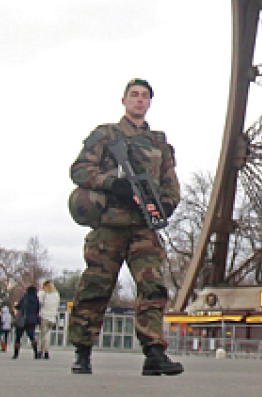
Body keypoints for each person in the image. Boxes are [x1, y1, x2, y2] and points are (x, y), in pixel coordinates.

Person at [66, 78, 183, 376]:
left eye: (144, 96)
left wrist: (165, 206)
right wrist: (112, 184)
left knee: (153, 286)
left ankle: (154, 352)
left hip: (143, 228)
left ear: (149, 102)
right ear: (124, 101)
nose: (139, 100)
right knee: (96, 287)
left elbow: (170, 184)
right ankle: (82, 351)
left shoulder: (159, 143)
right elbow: (79, 169)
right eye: (134, 95)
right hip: (110, 224)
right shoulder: (106, 135)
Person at [14, 286, 41, 359]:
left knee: (18, 337)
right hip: (32, 320)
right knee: (32, 337)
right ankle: (36, 352)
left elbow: (18, 306)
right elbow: (38, 309)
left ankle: (16, 354)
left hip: (22, 320)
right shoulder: (36, 299)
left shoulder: (24, 298)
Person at [37, 279, 59, 360]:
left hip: (44, 316)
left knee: (43, 335)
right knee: (47, 334)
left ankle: (43, 351)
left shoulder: (43, 293)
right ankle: (44, 351)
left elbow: (39, 303)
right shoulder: (56, 294)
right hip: (52, 317)